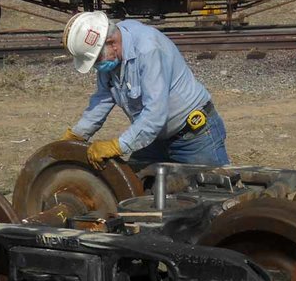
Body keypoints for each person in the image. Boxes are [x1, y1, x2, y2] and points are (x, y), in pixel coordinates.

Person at [61, 11, 229, 170]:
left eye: (97, 60)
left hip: (194, 138)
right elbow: (104, 97)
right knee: (136, 189)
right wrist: (78, 135)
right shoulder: (113, 52)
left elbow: (154, 114)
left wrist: (117, 146)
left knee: (215, 193)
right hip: (154, 139)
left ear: (112, 43)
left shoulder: (148, 49)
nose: (97, 66)